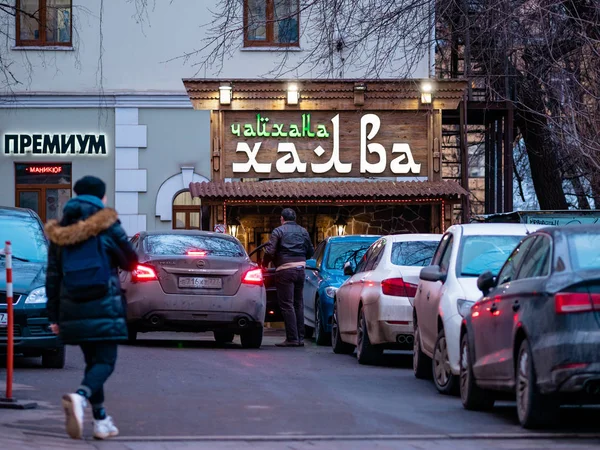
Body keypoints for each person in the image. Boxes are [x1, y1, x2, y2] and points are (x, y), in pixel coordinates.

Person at [45, 176, 138, 440]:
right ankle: (81, 397)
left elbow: (52, 277)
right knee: (106, 362)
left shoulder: (60, 231)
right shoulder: (107, 223)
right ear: (101, 198)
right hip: (103, 302)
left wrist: (53, 316)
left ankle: (100, 421)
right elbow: (131, 260)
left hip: (72, 306)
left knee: (92, 363)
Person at [263, 208, 314, 347]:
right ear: (295, 218)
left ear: (282, 218)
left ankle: (292, 338)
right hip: (300, 269)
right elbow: (311, 251)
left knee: (287, 304)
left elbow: (270, 251)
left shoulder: (278, 231)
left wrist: (264, 264)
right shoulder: (303, 231)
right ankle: (300, 338)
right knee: (299, 303)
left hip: (285, 270)